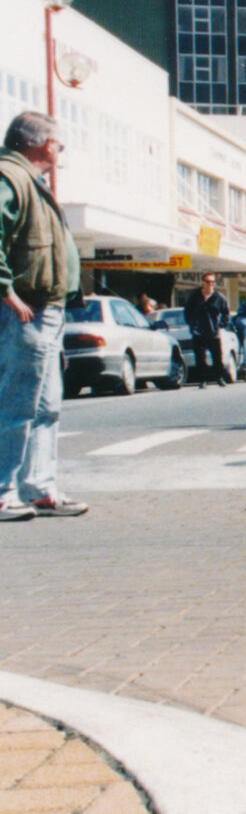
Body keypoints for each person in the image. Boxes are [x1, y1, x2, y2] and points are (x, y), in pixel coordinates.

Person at [0, 111, 85, 520]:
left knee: (46, 404)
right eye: (57, 141)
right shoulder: (10, 176)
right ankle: (3, 490)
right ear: (39, 143)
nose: (60, 149)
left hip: (46, 310)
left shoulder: (30, 182)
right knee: (17, 403)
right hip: (25, 311)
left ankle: (39, 487)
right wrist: (6, 292)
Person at [183, 271, 231, 388]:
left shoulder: (219, 297)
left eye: (213, 282)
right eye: (208, 282)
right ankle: (203, 380)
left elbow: (226, 313)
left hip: (213, 332)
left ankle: (219, 378)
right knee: (200, 357)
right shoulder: (194, 296)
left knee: (217, 356)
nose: (211, 284)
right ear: (203, 283)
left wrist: (220, 326)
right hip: (198, 332)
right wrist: (192, 325)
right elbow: (187, 312)